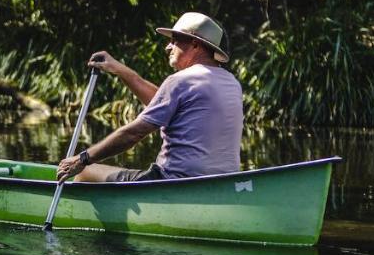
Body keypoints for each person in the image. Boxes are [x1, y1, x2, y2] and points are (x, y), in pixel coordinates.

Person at [56, 12, 242, 183]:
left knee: (84, 172)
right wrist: (120, 70)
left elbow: (133, 134)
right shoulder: (231, 82)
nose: (168, 47)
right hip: (220, 183)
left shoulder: (180, 81)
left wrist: (82, 159)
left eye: (175, 40)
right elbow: (162, 104)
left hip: (173, 182)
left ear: (195, 44)